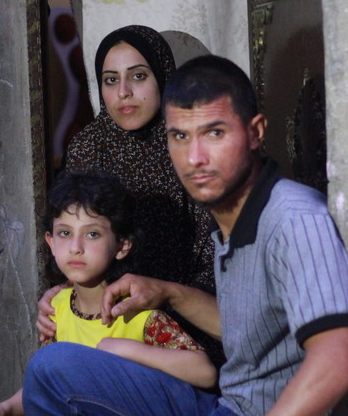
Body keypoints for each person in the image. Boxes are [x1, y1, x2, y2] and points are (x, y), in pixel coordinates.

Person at [22, 55, 348, 416]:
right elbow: (247, 332)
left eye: (214, 133)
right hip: (224, 406)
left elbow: (337, 362)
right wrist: (167, 292)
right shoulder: (231, 221)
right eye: (180, 137)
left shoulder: (294, 218)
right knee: (55, 368)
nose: (195, 157)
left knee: (53, 366)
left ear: (256, 133)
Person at [36, 25, 221, 362]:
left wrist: (165, 303)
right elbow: (78, 236)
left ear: (164, 78)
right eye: (110, 80)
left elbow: (216, 261)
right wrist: (66, 293)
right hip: (107, 317)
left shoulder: (191, 145)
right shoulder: (88, 147)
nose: (123, 92)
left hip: (187, 324)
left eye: (137, 76)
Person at [0, 170, 216, 416]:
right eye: (65, 233)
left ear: (122, 245)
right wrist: (6, 407)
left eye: (92, 234)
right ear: (51, 243)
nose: (76, 248)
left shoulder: (135, 312)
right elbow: (50, 383)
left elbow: (205, 373)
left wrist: (129, 351)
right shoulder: (56, 309)